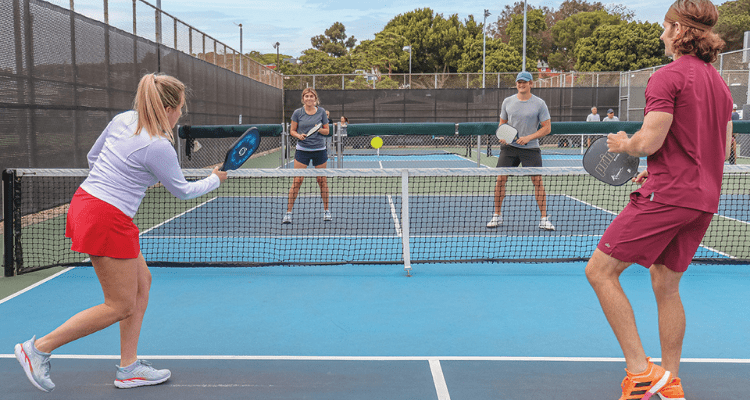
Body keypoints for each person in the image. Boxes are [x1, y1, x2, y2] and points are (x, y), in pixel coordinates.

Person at [14, 73, 228, 392]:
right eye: (181, 107)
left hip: (89, 202)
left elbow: (93, 158)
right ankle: (38, 349)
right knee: (119, 305)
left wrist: (127, 179)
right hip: (106, 218)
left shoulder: (124, 119)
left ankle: (128, 368)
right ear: (167, 107)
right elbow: (182, 191)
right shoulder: (158, 146)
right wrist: (216, 179)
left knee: (142, 284)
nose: (182, 114)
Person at [584, 1, 732, 399]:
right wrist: (662, 165)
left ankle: (640, 373)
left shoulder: (666, 78)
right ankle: (670, 380)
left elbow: (649, 140)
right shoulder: (719, 85)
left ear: (680, 32)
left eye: (666, 27)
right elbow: (713, 143)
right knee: (666, 283)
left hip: (668, 195)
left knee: (600, 271)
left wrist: (624, 144)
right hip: (703, 198)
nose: (661, 34)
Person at [487, 71, 555, 231]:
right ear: (516, 84)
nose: (521, 84)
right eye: (519, 82)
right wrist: (504, 135)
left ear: (531, 83)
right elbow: (502, 124)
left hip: (531, 149)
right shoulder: (507, 102)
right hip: (509, 148)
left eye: (525, 82)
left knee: (537, 182)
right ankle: (497, 215)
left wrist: (528, 138)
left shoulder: (539, 104)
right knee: (500, 180)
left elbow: (547, 128)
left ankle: (544, 219)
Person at [283, 88, 331, 224]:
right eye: (306, 96)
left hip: (319, 150)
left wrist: (318, 129)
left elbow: (327, 131)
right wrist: (299, 135)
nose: (309, 98)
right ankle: (288, 213)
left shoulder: (321, 112)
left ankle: (327, 211)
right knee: (297, 181)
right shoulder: (298, 113)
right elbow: (292, 130)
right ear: (303, 98)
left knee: (322, 181)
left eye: (311, 96)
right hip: (302, 150)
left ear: (315, 98)